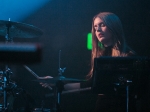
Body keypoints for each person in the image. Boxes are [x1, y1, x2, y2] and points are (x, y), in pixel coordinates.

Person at [86, 12, 137, 112]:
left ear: (113, 27)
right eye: (95, 27)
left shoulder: (129, 56)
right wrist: (60, 84)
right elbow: (92, 83)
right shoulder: (99, 55)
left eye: (102, 25)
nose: (98, 30)